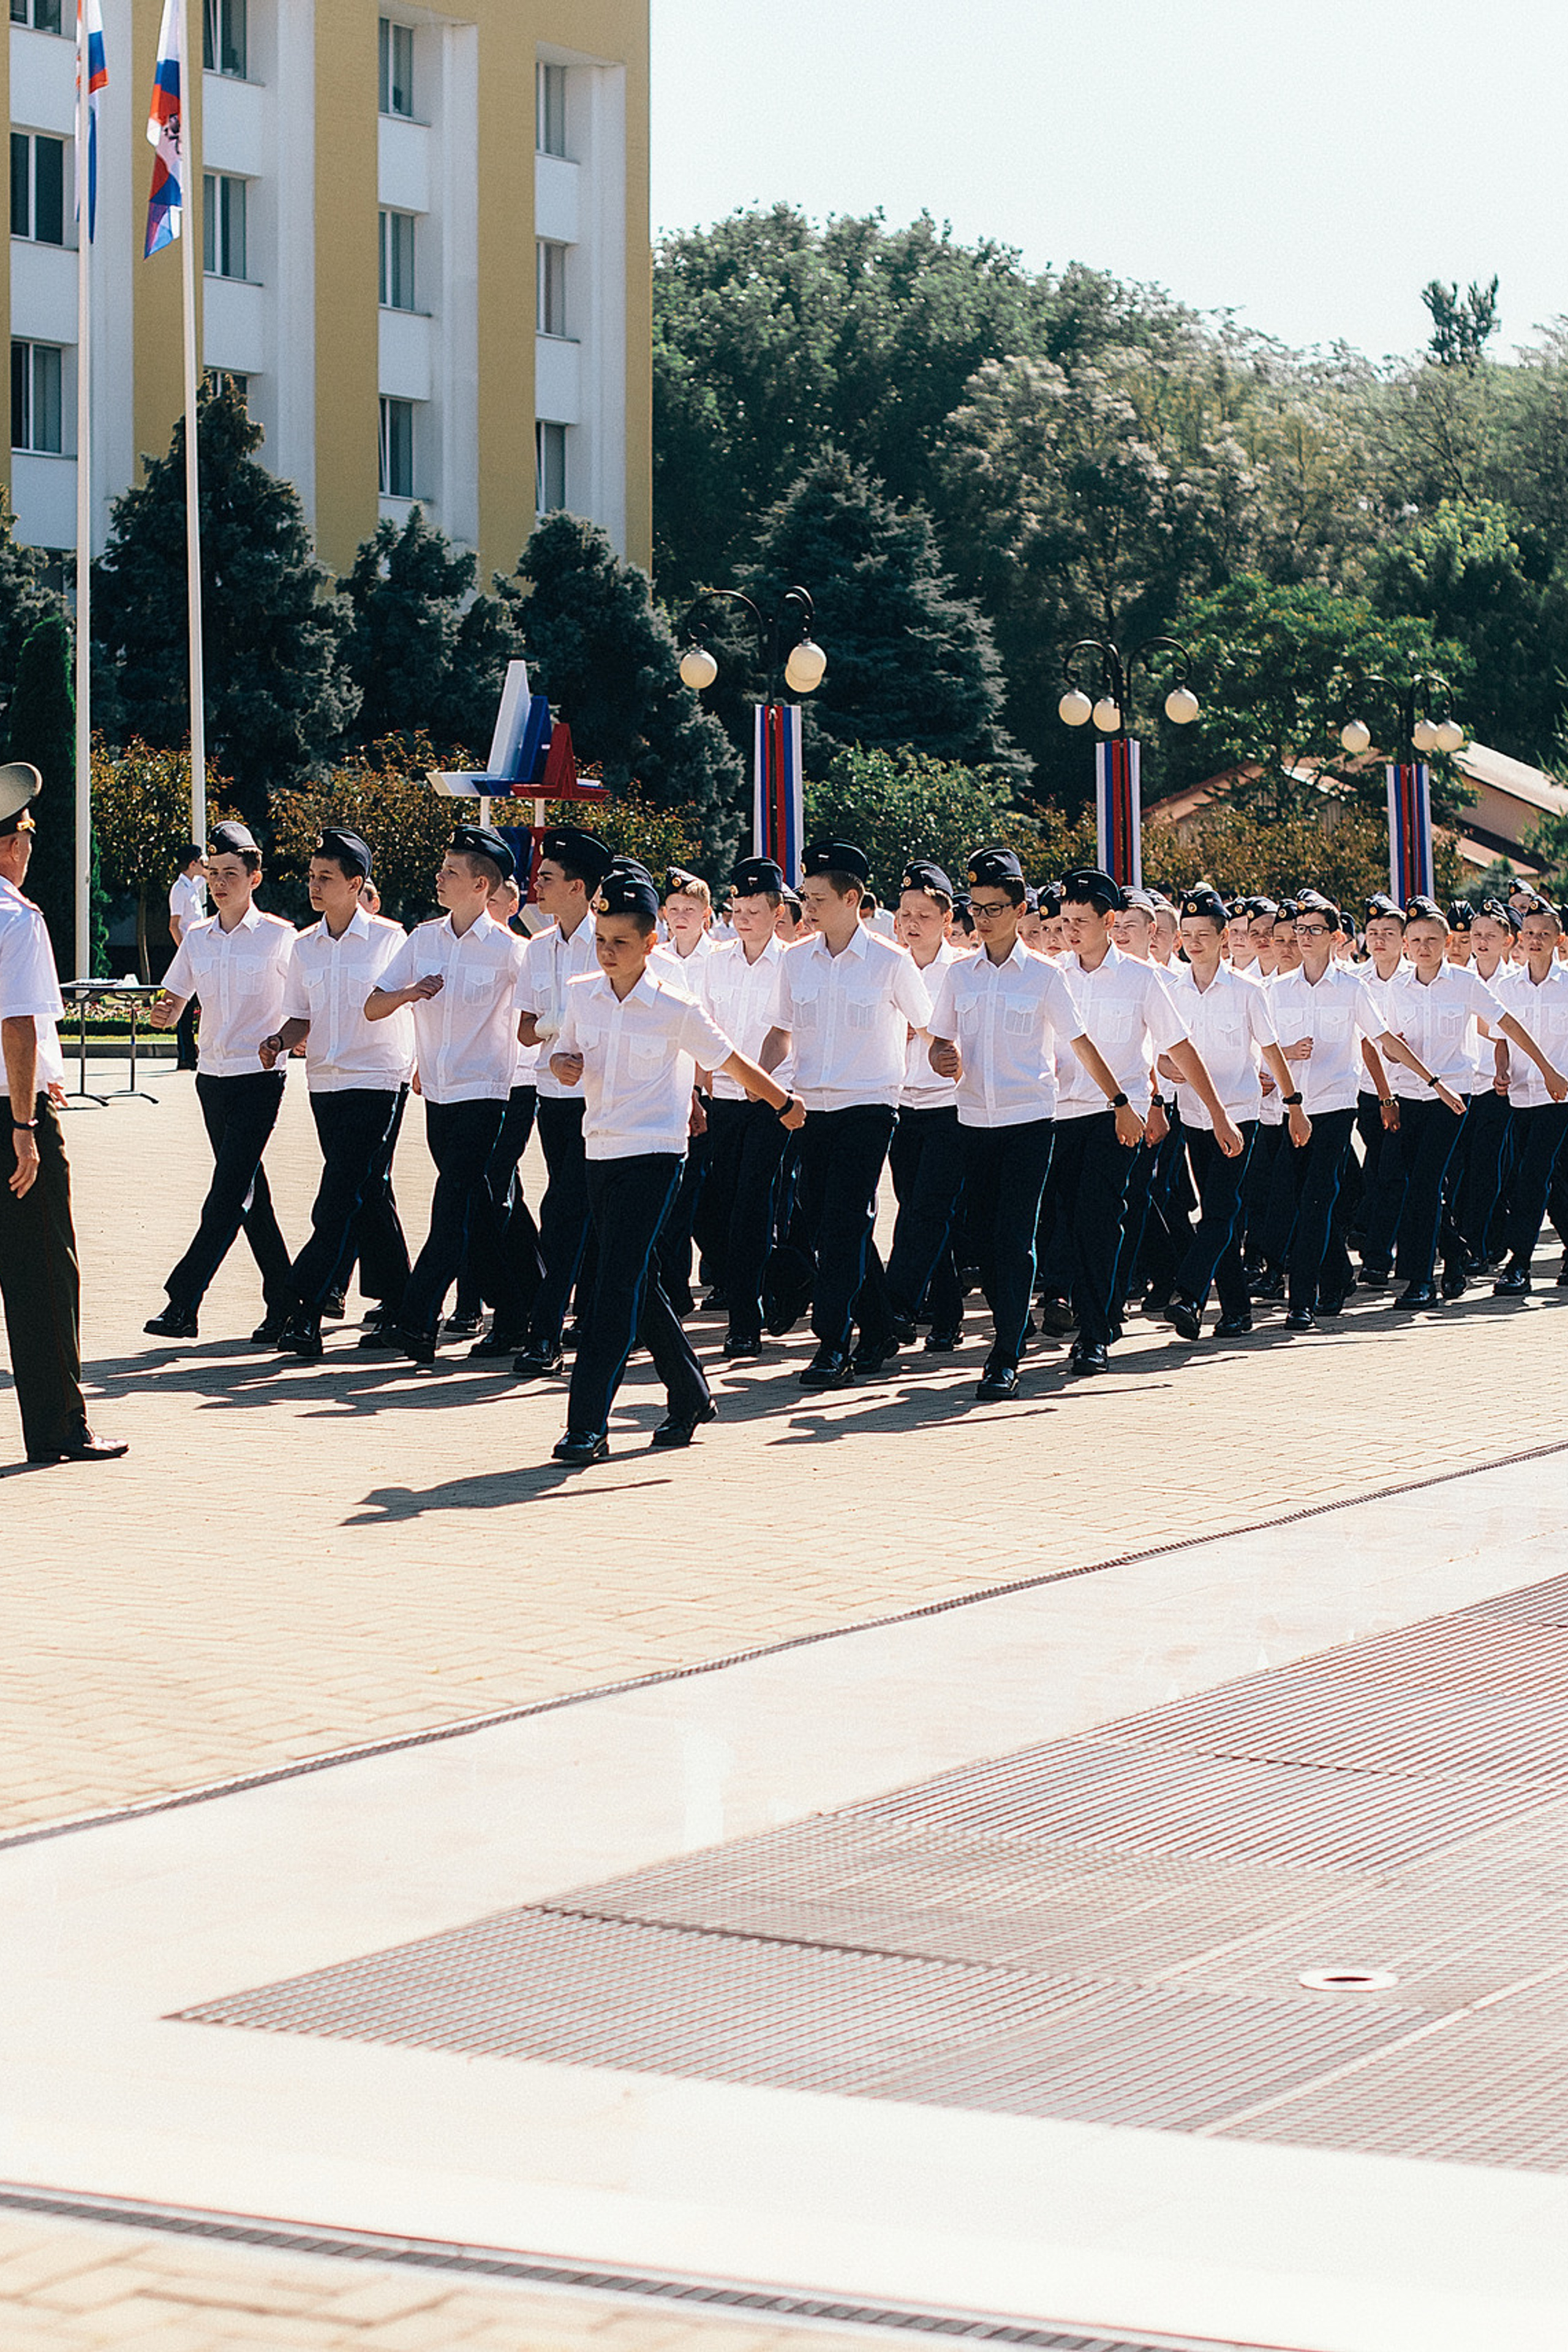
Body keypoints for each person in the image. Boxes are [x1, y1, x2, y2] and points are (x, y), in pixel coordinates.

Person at [548, 864, 803, 1464]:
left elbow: (734, 1062)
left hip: (656, 1156)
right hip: (599, 1151)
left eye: (621, 943)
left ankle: (587, 1423)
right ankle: (688, 1394)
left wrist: (784, 1104)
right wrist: (563, 1063)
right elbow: (566, 1047)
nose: (608, 953)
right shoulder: (582, 992)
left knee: (612, 1288)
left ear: (650, 944)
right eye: (600, 940)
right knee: (636, 1278)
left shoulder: (675, 1006)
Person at [926, 846, 1133, 1401]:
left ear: (1019, 909)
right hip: (972, 1121)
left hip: (1028, 1123)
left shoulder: (1044, 977)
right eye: (977, 907)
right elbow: (939, 1042)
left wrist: (1119, 1100)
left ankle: (1006, 1353)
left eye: (995, 908)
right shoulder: (958, 976)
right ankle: (1006, 1334)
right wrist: (940, 1057)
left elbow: (1081, 1044)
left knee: (1015, 1239)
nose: (983, 918)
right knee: (985, 1243)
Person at [1041, 869, 1240, 1374]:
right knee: (1064, 1225)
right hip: (1055, 1116)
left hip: (1115, 1118)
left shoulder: (1141, 978)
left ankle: (1091, 1334)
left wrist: (1217, 1114)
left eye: (1081, 922)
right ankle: (1100, 1316)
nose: (1070, 932)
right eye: (1065, 921)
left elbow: (1179, 1048)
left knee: (1098, 1221)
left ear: (1109, 921)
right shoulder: (1050, 974)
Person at [760, 837, 933, 1388]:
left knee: (840, 1226)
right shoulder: (794, 961)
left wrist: (946, 1061)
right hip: (813, 1109)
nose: (805, 908)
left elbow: (929, 1027)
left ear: (853, 898)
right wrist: (763, 1089)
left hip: (870, 1105)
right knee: (836, 1224)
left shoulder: (890, 961)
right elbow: (780, 1032)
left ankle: (832, 1344)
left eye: (817, 898)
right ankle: (879, 1326)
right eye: (804, 896)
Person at [364, 826, 530, 1363]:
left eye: (451, 871)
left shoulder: (511, 951)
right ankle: (518, 1309)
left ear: (482, 885)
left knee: (452, 1205)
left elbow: (538, 1016)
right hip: (437, 1092)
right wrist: (411, 994)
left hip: (487, 1094)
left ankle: (417, 1320)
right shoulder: (423, 939)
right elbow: (373, 1005)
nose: (440, 877)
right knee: (477, 1213)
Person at [0, 764, 126, 1463]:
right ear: (12, 845)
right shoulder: (16, 918)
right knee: (44, 1274)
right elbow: (18, 1025)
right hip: (8, 1119)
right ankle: (58, 1427)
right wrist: (24, 1128)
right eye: (26, 837)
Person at [255, 829, 413, 1359]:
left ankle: (303, 1307)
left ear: (356, 883)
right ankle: (403, 1302)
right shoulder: (303, 946)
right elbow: (302, 1014)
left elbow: (407, 1005)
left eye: (326, 878)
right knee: (366, 1191)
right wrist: (280, 1041)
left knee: (339, 1194)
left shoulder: (393, 940)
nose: (315, 886)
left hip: (377, 1079)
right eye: (311, 876)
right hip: (325, 1080)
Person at [145, 821, 298, 1343]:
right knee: (250, 1194)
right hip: (212, 1078)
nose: (219, 883)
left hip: (259, 1079)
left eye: (231, 873)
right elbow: (175, 997)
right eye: (213, 873)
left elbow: (302, 1006)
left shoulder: (280, 937)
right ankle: (288, 1303)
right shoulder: (197, 938)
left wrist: (285, 1038)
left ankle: (183, 1301)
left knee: (227, 1193)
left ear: (255, 877)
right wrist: (165, 1013)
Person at [1161, 888, 1310, 1340]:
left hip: (1240, 1111)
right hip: (1193, 1114)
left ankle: (1189, 1292)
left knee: (1222, 1210)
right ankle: (1236, 1311)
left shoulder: (1247, 991)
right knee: (1215, 1212)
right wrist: (1170, 1070)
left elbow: (1270, 1051)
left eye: (1204, 934)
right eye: (1186, 935)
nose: (1194, 942)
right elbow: (1162, 1059)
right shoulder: (1171, 991)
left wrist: (1294, 1106)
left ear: (1224, 936)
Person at [511, 826, 615, 1379]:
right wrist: (556, 1035)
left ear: (578, 887)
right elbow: (527, 1030)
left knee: (581, 1211)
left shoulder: (610, 941)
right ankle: (557, 1325)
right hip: (555, 1094)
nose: (538, 885)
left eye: (548, 878)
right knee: (569, 1206)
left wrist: (568, 1036)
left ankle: (553, 1327)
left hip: (604, 1096)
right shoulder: (538, 948)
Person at [693, 854, 794, 1357]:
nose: (744, 917)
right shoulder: (715, 961)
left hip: (774, 1099)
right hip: (725, 1099)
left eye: (755, 908)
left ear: (777, 912)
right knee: (715, 1206)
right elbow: (704, 1030)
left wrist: (765, 1085)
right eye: (738, 906)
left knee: (754, 1203)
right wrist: (699, 1091)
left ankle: (745, 1317)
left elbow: (788, 1033)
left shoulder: (793, 962)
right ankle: (789, 1279)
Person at [450, 861, 545, 1353]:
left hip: (520, 1083)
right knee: (496, 1196)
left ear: (511, 905)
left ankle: (516, 1309)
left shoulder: (521, 952)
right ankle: (530, 1292)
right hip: (481, 1086)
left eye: (494, 904)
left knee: (491, 1194)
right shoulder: (463, 948)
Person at [884, 859, 966, 1354]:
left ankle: (899, 1305)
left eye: (924, 914)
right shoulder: (889, 965)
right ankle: (947, 1315)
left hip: (949, 1105)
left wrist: (930, 1031)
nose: (912, 923)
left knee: (929, 1211)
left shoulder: (961, 970)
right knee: (920, 1209)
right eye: (905, 913)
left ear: (947, 919)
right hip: (901, 1102)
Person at [1490, 897, 1568, 1295]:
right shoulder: (1506, 987)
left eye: (1544, 934)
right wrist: (1501, 1070)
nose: (1535, 940)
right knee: (1556, 1177)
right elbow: (1501, 1041)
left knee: (1532, 1176)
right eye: (1530, 933)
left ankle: (1518, 1261)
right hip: (1522, 1096)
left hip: (1561, 1098)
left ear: (1559, 940)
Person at [167, 843, 207, 1070]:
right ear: (193, 863)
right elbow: (174, 926)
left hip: (199, 952)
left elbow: (211, 876)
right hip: (187, 951)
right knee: (184, 1007)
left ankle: (194, 1053)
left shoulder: (191, 885)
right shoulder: (180, 889)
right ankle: (185, 1056)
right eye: (202, 862)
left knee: (200, 1004)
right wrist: (186, 952)